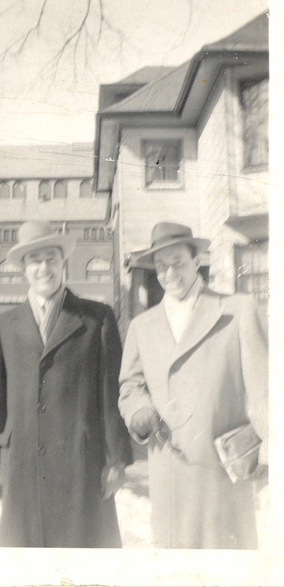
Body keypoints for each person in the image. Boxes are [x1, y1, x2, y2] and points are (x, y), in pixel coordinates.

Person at [0, 220, 133, 547]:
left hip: (82, 466)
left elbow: (111, 395)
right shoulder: (4, 325)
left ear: (63, 263)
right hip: (23, 466)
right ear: (23, 268)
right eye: (35, 260)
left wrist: (117, 460)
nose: (44, 267)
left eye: (51, 258)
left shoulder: (97, 318)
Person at [118, 222, 268, 549]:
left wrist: (271, 450)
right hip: (170, 470)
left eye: (178, 263)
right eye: (161, 267)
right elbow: (130, 385)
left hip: (224, 472)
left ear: (197, 260)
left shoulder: (237, 310)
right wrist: (139, 410)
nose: (169, 274)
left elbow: (265, 393)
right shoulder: (142, 326)